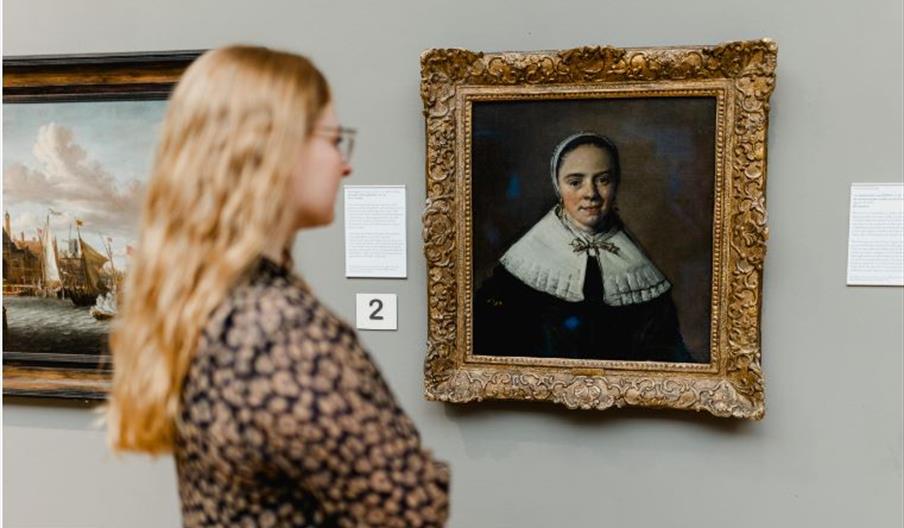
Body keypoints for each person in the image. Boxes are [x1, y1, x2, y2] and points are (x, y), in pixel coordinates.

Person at [106, 46, 450, 527]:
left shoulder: (208, 304)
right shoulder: (281, 331)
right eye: (333, 140)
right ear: (275, 150)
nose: (344, 164)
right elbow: (408, 509)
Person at [474, 132, 694, 363]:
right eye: (575, 182)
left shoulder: (640, 272)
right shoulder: (524, 260)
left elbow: (666, 354)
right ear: (558, 186)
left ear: (616, 185)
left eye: (603, 180)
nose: (591, 194)